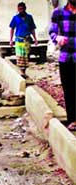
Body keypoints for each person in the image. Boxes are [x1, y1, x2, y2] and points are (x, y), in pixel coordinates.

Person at [49, 0, 76, 131]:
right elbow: (52, 32)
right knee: (69, 90)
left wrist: (68, 40)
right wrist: (57, 38)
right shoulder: (58, 13)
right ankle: (72, 120)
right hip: (65, 58)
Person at [9, 2, 38, 77]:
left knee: (26, 57)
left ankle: (24, 71)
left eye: (21, 9)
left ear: (25, 9)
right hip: (19, 40)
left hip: (27, 40)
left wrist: (35, 39)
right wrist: (11, 40)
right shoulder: (15, 18)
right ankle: (22, 72)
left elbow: (32, 29)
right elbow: (12, 29)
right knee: (20, 56)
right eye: (19, 9)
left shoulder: (29, 17)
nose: (20, 10)